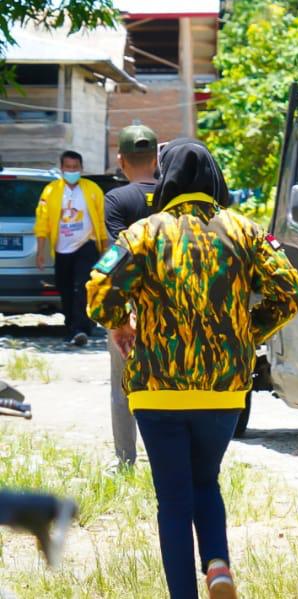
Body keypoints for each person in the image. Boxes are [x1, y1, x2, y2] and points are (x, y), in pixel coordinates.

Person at [86, 139, 298, 599]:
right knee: (205, 480)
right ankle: (217, 564)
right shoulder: (246, 231)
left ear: (165, 179)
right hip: (223, 390)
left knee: (172, 498)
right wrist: (247, 333)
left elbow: (99, 289)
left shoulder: (141, 234)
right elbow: (290, 291)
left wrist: (121, 324)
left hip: (156, 389)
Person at [101, 123, 159, 468]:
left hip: (132, 303)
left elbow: (118, 257)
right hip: (172, 301)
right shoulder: (172, 195)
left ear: (121, 160)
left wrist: (117, 314)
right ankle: (166, 455)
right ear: (156, 159)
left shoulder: (116, 199)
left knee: (123, 383)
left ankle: (125, 459)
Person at [34, 150, 108, 346]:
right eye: (68, 167)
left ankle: (79, 328)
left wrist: (104, 247)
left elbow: (101, 220)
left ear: (81, 168)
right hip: (62, 249)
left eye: (75, 167)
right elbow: (42, 222)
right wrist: (40, 251)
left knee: (82, 287)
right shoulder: (51, 191)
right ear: (62, 168)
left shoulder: (92, 189)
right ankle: (73, 325)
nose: (72, 171)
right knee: (65, 288)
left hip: (86, 245)